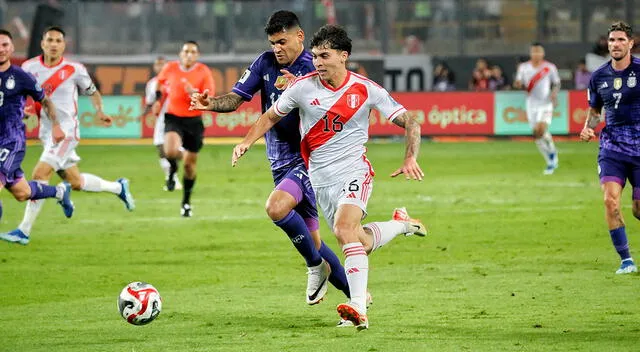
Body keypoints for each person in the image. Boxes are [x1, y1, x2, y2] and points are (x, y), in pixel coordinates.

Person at [229, 24, 427, 330]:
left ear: (343, 56)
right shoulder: (303, 87)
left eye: (325, 56)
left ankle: (358, 307)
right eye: (316, 56)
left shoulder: (365, 89)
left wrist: (410, 156)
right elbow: (270, 116)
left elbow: (411, 122)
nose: (318, 62)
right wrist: (245, 141)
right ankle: (402, 224)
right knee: (359, 239)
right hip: (320, 180)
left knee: (344, 230)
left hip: (354, 171)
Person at [190, 10, 357, 325]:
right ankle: (358, 299)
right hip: (280, 162)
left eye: (282, 41)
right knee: (316, 242)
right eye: (272, 42)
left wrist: (306, 88)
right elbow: (237, 99)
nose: (277, 48)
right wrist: (210, 103)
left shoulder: (318, 67)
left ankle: (315, 267)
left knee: (277, 206)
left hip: (312, 159)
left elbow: (339, 112)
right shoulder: (265, 63)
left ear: (299, 36)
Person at [0, 26, 134, 245]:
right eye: (50, 40)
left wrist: (99, 111)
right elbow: (30, 99)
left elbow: (92, 91)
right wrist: (24, 112)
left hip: (67, 132)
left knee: (40, 172)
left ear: (64, 44)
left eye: (58, 40)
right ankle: (119, 187)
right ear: (42, 43)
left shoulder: (75, 69)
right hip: (47, 134)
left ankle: (23, 230)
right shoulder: (28, 67)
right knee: (76, 181)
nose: (54, 44)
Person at [0, 29, 74, 243]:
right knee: (21, 193)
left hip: (10, 140)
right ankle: (59, 192)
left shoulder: (21, 76)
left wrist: (56, 126)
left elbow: (46, 100)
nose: (1, 49)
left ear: (12, 48)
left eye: (5, 45)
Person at [580, 21, 640, 274]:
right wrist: (588, 126)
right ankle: (626, 260)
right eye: (612, 40)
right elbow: (595, 110)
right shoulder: (599, 76)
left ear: (630, 43)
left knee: (639, 208)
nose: (615, 45)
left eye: (620, 40)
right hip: (612, 146)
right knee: (610, 201)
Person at [153, 40, 214, 217]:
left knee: (189, 166)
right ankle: (172, 169)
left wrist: (193, 92)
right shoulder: (170, 68)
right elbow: (159, 83)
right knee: (170, 151)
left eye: (193, 52)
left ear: (197, 55)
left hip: (194, 120)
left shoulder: (203, 71)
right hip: (173, 117)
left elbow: (208, 97)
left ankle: (186, 203)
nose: (189, 54)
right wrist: (158, 100)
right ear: (180, 54)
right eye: (186, 51)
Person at [514, 42, 561, 175]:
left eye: (538, 51)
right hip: (531, 104)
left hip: (545, 103)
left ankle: (552, 159)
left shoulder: (549, 67)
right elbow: (519, 83)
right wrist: (518, 84)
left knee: (541, 128)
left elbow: (556, 83)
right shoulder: (523, 67)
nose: (536, 54)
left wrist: (554, 94)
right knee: (537, 134)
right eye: (534, 52)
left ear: (542, 53)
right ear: (531, 53)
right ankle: (551, 158)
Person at [143, 56, 182, 190]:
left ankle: (173, 175)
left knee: (177, 151)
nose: (159, 67)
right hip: (161, 120)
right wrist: (142, 114)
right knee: (161, 148)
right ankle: (171, 177)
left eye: (162, 65)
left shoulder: (176, 79)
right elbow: (150, 102)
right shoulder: (152, 84)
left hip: (177, 117)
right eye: (157, 65)